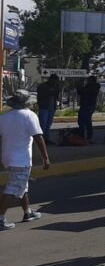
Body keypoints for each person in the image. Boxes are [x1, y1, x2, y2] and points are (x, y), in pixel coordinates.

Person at [0, 90, 50, 230]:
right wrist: (45, 157)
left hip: (8, 158)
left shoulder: (4, 117)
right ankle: (0, 218)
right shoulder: (29, 116)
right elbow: (38, 137)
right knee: (12, 188)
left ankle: (27, 212)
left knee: (22, 184)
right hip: (21, 159)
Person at [36, 74, 61, 144]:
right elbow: (44, 93)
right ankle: (41, 139)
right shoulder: (43, 86)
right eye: (54, 80)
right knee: (43, 123)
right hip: (44, 107)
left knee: (48, 124)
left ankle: (46, 139)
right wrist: (52, 91)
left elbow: (57, 93)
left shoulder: (55, 87)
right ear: (51, 79)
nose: (55, 82)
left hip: (52, 107)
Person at [76, 76, 101, 142]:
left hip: (87, 105)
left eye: (88, 80)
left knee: (82, 121)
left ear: (91, 80)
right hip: (90, 105)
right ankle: (88, 136)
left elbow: (82, 92)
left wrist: (78, 86)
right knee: (87, 121)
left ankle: (82, 136)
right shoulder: (94, 86)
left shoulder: (91, 86)